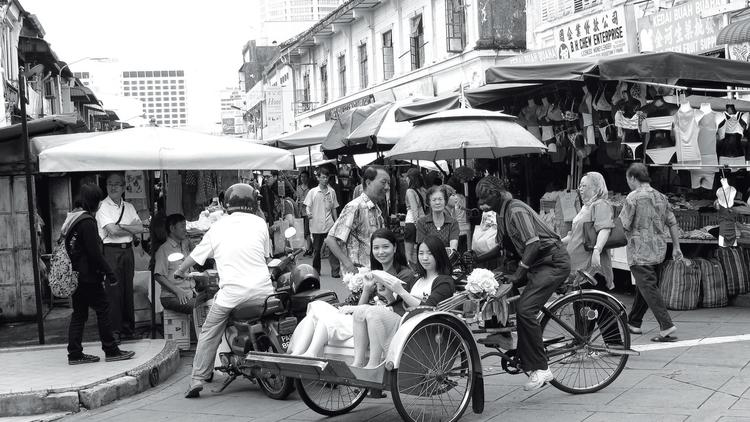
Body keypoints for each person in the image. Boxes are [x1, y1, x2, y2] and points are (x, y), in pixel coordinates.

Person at [175, 183, 274, 398]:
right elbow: (266, 256)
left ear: (227, 204)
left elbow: (198, 253)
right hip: (264, 291)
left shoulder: (218, 226)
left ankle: (197, 379)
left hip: (233, 295)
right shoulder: (260, 223)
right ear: (251, 202)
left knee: (209, 331)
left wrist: (180, 270)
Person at [475, 175, 570, 391]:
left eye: (485, 199)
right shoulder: (500, 214)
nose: (482, 204)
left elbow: (533, 244)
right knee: (493, 283)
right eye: (479, 199)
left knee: (526, 310)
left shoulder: (516, 210)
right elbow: (502, 247)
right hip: (534, 262)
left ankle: (542, 368)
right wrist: (477, 258)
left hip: (551, 262)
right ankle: (504, 334)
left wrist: (519, 275)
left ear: (497, 195)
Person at [287, 229, 413, 357]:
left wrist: (387, 294)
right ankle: (297, 355)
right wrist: (366, 289)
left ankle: (310, 354)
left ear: (395, 247)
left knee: (326, 319)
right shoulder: (374, 273)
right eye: (376, 248)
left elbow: (398, 310)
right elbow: (360, 308)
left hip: (377, 321)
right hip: (360, 316)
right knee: (317, 306)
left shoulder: (404, 275)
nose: (381, 252)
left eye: (385, 247)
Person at [351, 235, 455, 368]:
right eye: (421, 253)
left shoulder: (444, 281)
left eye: (430, 254)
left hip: (419, 326)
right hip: (403, 318)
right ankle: (358, 362)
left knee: (373, 313)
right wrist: (389, 295)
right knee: (360, 311)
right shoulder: (417, 278)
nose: (424, 258)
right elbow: (401, 304)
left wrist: (401, 291)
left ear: (439, 255)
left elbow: (427, 308)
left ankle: (375, 363)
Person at [65, 184, 135, 364]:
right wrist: (110, 273)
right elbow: (94, 253)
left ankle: (74, 354)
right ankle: (111, 350)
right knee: (103, 309)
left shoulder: (73, 218)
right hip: (88, 276)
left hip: (76, 274)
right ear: (93, 202)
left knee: (79, 314)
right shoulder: (87, 222)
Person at [618, 163, 680, 342]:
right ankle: (634, 322)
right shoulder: (661, 196)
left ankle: (666, 326)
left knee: (648, 288)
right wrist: (676, 247)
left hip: (640, 251)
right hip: (659, 250)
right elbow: (672, 222)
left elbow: (624, 224)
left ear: (632, 178)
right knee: (644, 287)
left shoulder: (633, 197)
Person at [97, 172, 145, 341]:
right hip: (110, 251)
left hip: (127, 251)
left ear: (124, 187)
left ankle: (128, 328)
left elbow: (141, 228)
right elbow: (112, 231)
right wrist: (128, 227)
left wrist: (121, 226)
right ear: (106, 186)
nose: (113, 187)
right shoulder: (102, 206)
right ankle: (114, 330)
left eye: (117, 184)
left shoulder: (129, 207)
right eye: (110, 183)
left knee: (127, 290)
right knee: (113, 291)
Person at [325, 165, 390, 276]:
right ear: (368, 182)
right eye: (383, 182)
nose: (387, 187)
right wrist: (350, 266)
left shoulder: (376, 208)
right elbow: (331, 239)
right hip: (361, 277)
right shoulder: (355, 207)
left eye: (389, 183)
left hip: (375, 273)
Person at [562, 172, 614, 289]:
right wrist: (557, 242)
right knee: (580, 305)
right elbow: (573, 235)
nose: (580, 189)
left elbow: (605, 229)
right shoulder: (585, 207)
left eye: (584, 186)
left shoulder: (601, 204)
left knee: (591, 305)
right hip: (579, 269)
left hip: (592, 269)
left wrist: (597, 250)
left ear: (596, 188)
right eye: (580, 186)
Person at [153, 214, 195, 314]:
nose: (185, 230)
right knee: (201, 308)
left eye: (185, 226)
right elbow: (158, 275)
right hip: (171, 296)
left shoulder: (184, 246)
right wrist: (177, 291)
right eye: (182, 226)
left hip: (189, 292)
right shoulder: (164, 249)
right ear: (172, 228)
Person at [304, 168, 340, 277]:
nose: (325, 179)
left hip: (329, 224)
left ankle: (335, 271)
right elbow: (307, 206)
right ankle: (316, 270)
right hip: (316, 225)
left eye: (326, 177)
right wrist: (308, 213)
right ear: (318, 178)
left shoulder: (331, 191)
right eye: (323, 177)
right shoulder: (313, 192)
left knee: (333, 248)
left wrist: (336, 222)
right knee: (317, 250)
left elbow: (334, 208)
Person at [416, 185, 460, 251]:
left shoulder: (453, 223)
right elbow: (422, 248)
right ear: (429, 202)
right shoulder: (421, 222)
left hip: (447, 259)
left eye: (440, 199)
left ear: (445, 201)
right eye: (434, 200)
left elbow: (453, 249)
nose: (437, 202)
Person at [404, 168, 425, 266]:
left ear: (410, 178)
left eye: (406, 177)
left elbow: (414, 209)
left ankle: (412, 272)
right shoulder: (422, 190)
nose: (405, 179)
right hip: (422, 221)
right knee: (419, 250)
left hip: (412, 223)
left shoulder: (410, 191)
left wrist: (418, 225)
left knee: (409, 253)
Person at [295, 171, 313, 255]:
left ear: (308, 178)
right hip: (300, 212)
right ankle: (309, 247)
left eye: (305, 177)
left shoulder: (310, 189)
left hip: (307, 212)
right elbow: (297, 199)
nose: (303, 178)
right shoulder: (298, 188)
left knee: (306, 231)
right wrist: (297, 201)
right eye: (301, 177)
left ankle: (309, 249)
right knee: (302, 231)